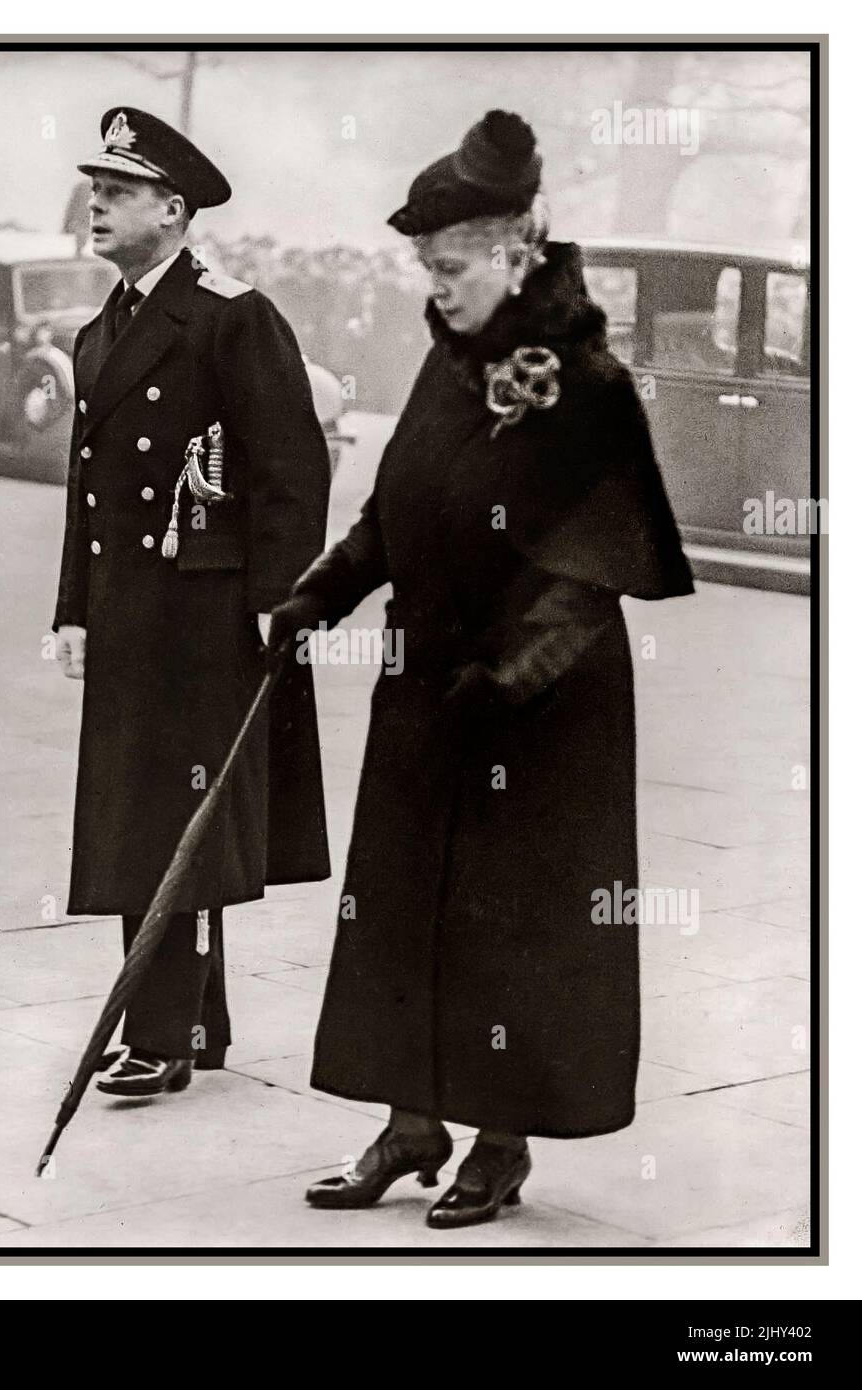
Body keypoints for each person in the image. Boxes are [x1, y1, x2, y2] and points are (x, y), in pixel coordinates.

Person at [268, 110, 695, 1228]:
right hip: (426, 683)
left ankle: (497, 1143)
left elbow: (593, 574)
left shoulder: (583, 382)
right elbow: (393, 507)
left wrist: (506, 680)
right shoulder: (447, 361)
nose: (436, 284)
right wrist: (321, 591)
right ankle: (410, 1121)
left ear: (516, 251)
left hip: (535, 714)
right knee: (401, 905)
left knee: (511, 922)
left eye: (451, 266)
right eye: (425, 266)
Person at [54, 107, 331, 1100]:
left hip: (204, 617)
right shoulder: (101, 329)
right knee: (142, 815)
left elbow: (291, 464)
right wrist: (72, 609)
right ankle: (195, 1025)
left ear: (172, 210)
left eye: (118, 191)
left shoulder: (228, 315)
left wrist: (277, 605)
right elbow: (87, 493)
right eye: (97, 189)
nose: (97, 204)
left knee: (176, 820)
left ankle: (161, 1031)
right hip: (131, 617)